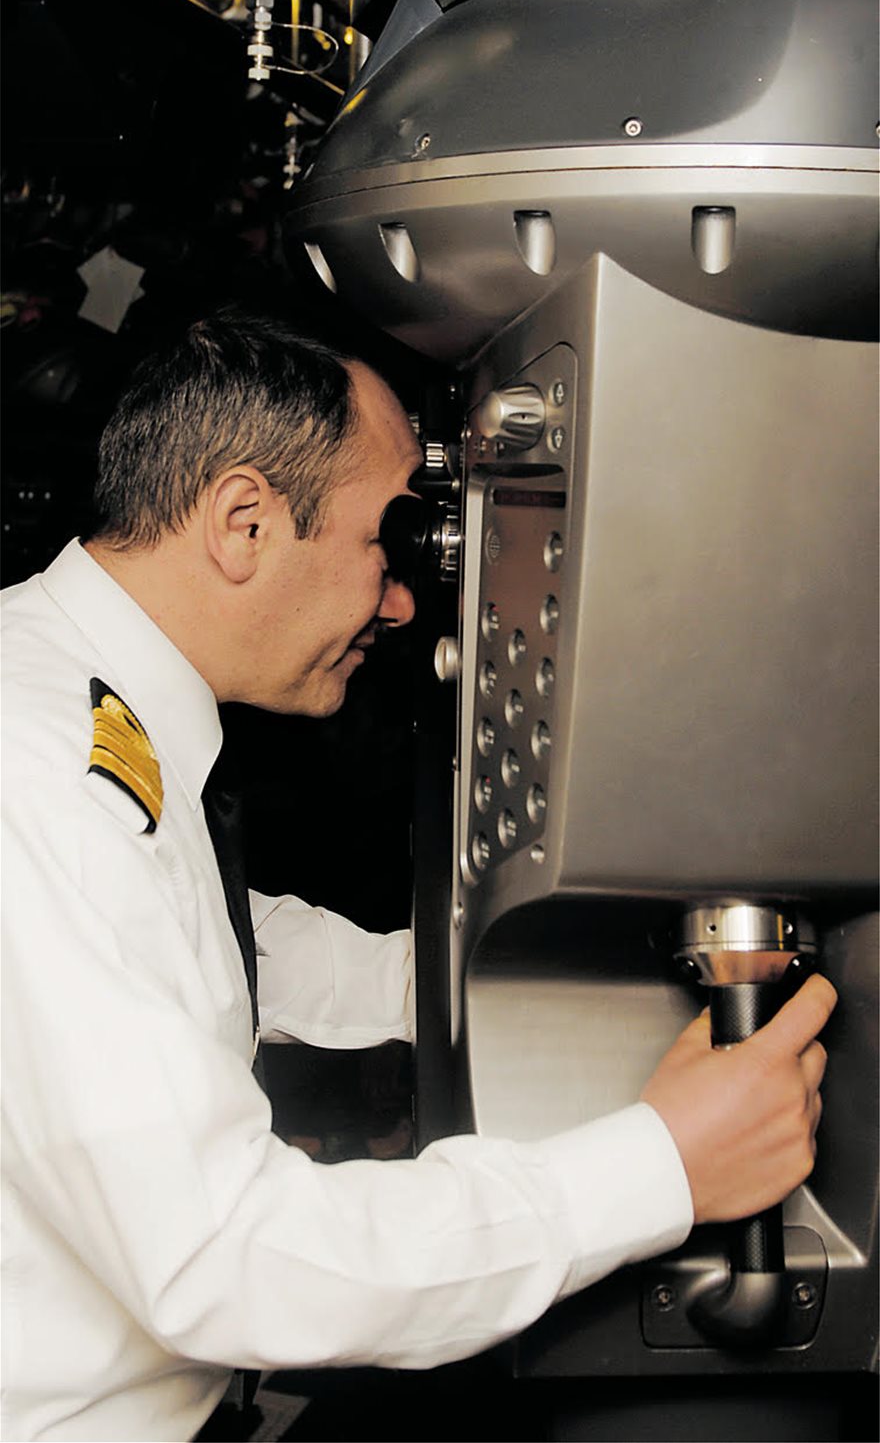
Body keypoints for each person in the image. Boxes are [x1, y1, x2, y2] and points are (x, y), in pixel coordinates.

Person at [1, 309, 835, 1443]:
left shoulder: (71, 697)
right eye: (380, 545)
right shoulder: (41, 776)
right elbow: (230, 1257)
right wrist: (665, 1166)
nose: (399, 604)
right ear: (245, 523)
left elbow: (211, 937)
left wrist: (498, 990)